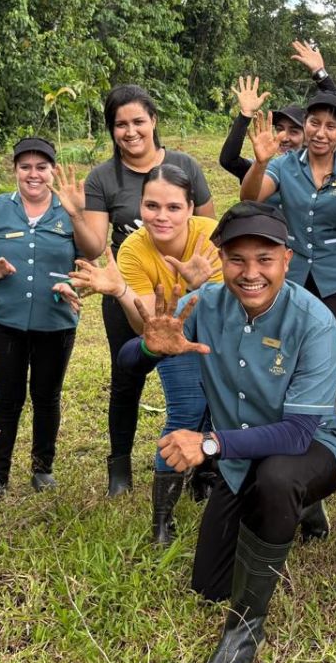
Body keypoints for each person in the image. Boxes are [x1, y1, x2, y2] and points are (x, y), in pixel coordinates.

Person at [116, 202, 336, 663]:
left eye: (264, 259)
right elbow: (126, 366)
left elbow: (296, 433)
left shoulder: (315, 323)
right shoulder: (203, 302)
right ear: (220, 258)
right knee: (208, 583)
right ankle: (299, 510)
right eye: (237, 259)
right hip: (236, 455)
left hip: (310, 447)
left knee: (277, 479)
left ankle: (245, 626)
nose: (250, 273)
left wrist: (207, 445)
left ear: (286, 260)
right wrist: (148, 346)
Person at [70, 164, 222, 544]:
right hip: (173, 339)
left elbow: (235, 303)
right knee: (186, 411)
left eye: (173, 207)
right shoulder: (134, 249)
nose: (161, 216)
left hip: (222, 337)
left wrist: (198, 290)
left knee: (224, 409)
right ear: (141, 207)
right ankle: (161, 522)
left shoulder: (211, 237)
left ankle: (208, 474)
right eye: (152, 206)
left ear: (191, 208)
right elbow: (148, 331)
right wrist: (122, 291)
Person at [83, 85, 215, 497]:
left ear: (153, 121)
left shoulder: (185, 165)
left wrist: (201, 279)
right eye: (120, 124)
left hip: (192, 297)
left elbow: (210, 230)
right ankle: (119, 464)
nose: (130, 131)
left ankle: (205, 467)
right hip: (133, 286)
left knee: (205, 380)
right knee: (128, 377)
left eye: (138, 121)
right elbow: (94, 243)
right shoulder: (103, 177)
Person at [0, 137, 97, 506]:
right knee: (7, 399)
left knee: (46, 396)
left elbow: (92, 254)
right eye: (26, 167)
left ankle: (42, 468)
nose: (34, 174)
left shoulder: (67, 209)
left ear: (52, 171)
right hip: (5, 320)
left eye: (42, 167)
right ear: (16, 171)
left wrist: (76, 215)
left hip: (55, 320)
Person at [239, 91, 336, 348]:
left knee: (327, 355)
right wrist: (260, 163)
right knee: (283, 353)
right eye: (314, 123)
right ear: (305, 123)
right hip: (291, 277)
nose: (321, 133)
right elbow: (250, 198)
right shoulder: (284, 165)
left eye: (331, 126)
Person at [218, 41, 336, 182]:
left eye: (294, 131)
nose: (284, 138)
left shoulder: (323, 168)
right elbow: (228, 160)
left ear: (307, 136)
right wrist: (245, 115)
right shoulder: (265, 168)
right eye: (279, 129)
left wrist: (320, 74)